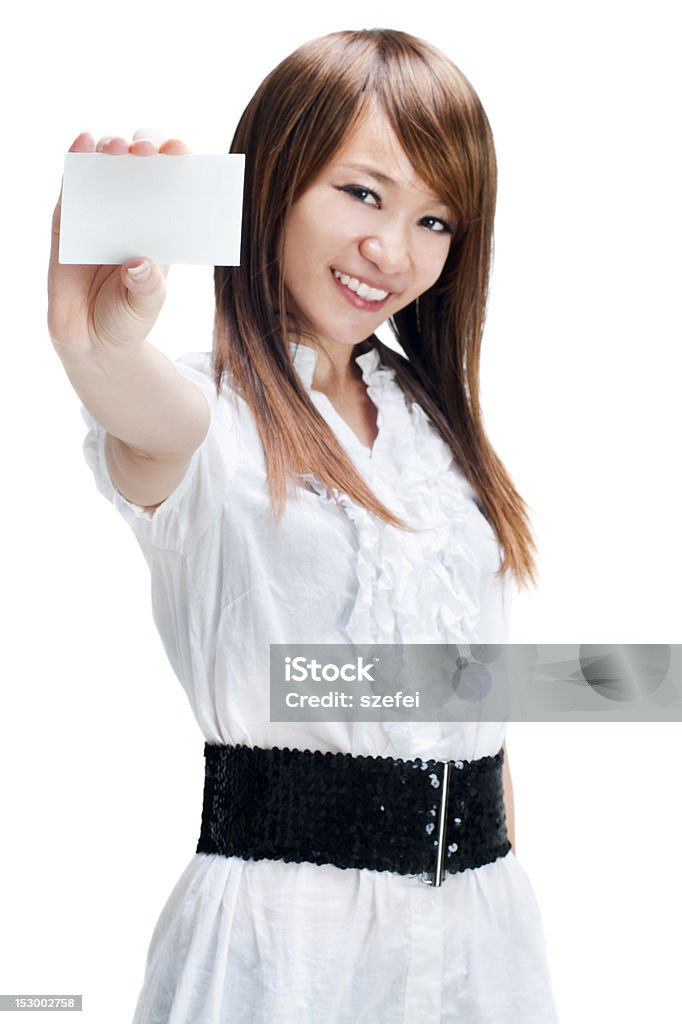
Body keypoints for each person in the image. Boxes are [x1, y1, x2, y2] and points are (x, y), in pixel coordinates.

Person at [47, 27, 559, 1024]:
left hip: (482, 938)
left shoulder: (435, 435)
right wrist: (94, 346)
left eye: (436, 220)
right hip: (284, 950)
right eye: (362, 193)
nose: (392, 252)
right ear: (273, 180)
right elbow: (139, 406)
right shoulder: (214, 421)